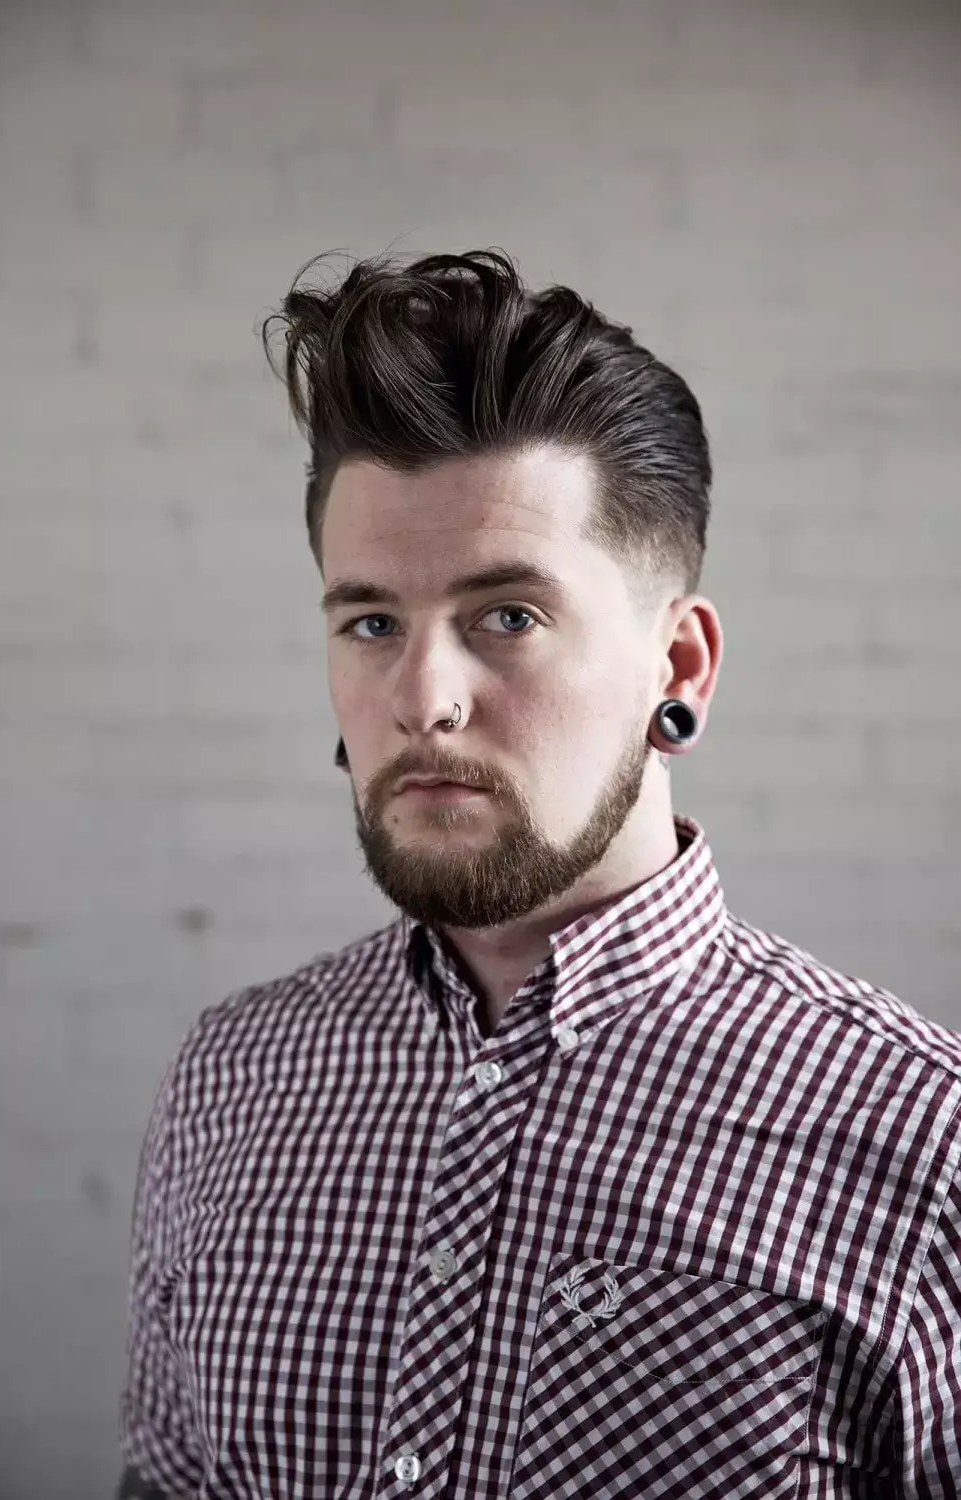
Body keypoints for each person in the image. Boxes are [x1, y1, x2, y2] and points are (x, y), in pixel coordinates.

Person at [117, 250, 961, 1500]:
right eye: (370, 623)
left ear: (677, 665)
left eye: (506, 616)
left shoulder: (922, 1142)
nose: (421, 701)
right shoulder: (228, 1081)